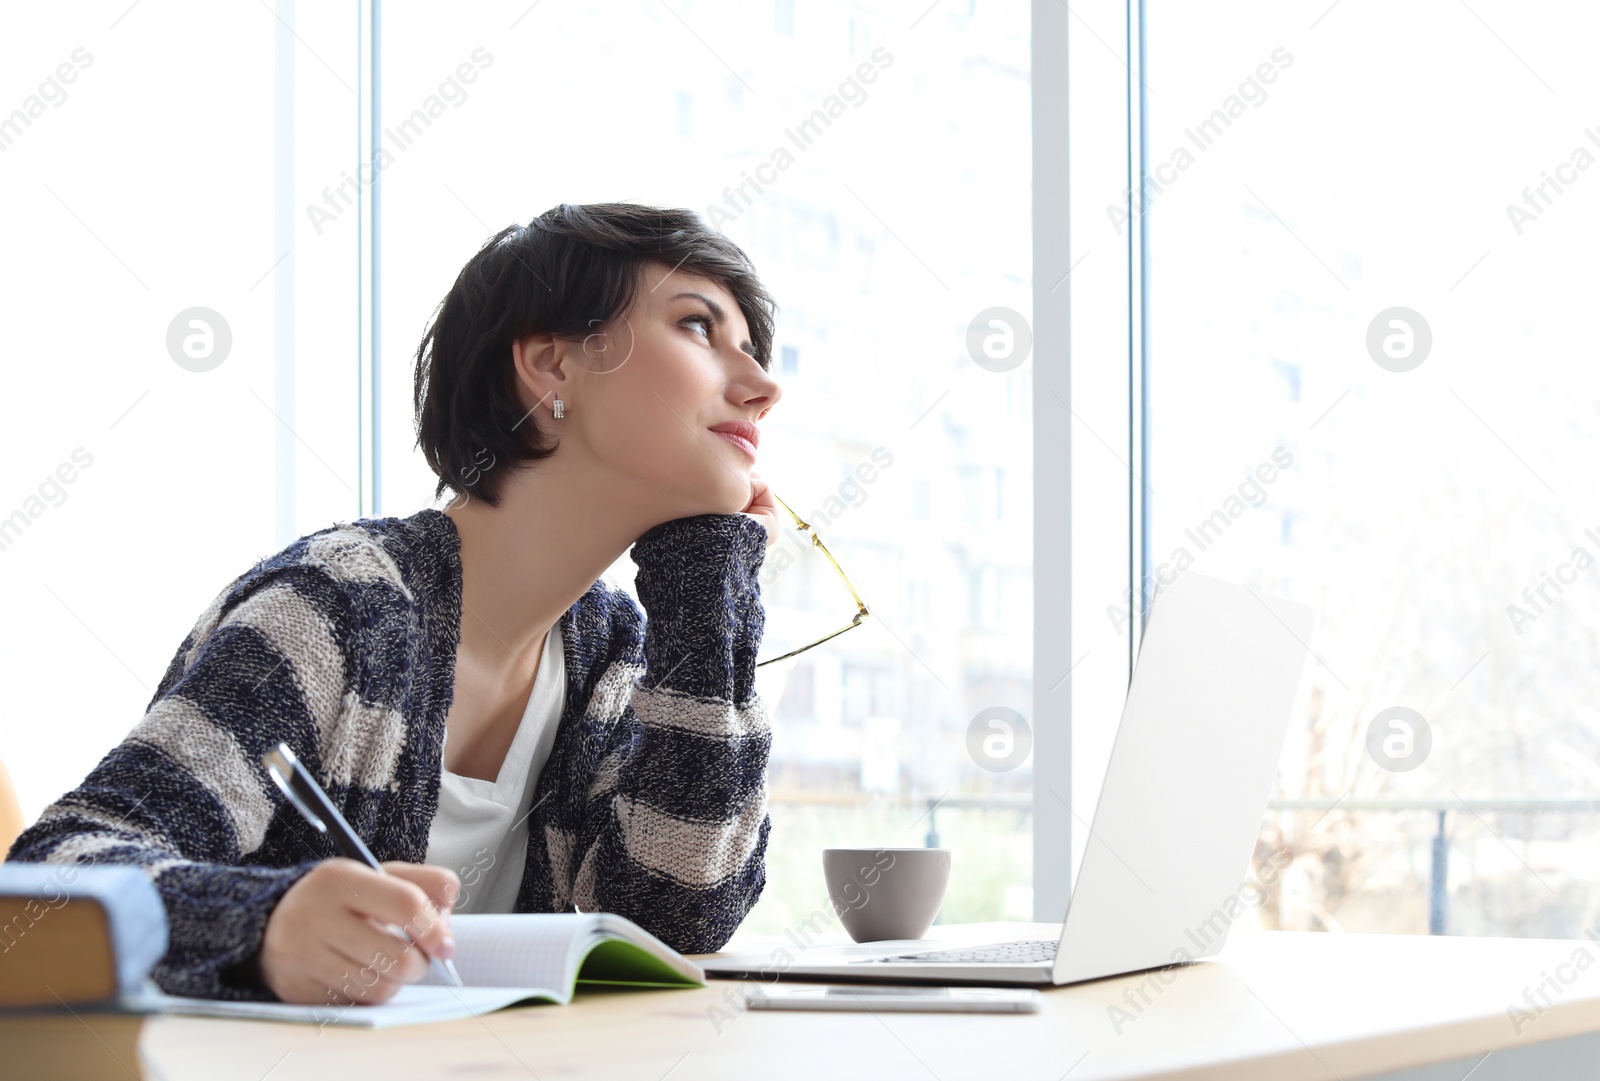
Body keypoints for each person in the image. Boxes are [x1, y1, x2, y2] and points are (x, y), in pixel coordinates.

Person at [8, 202, 784, 1005]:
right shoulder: (340, 609)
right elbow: (50, 877)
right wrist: (262, 923)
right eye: (699, 327)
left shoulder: (610, 652)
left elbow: (680, 913)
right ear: (553, 366)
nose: (764, 386)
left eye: (753, 350)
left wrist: (705, 582)